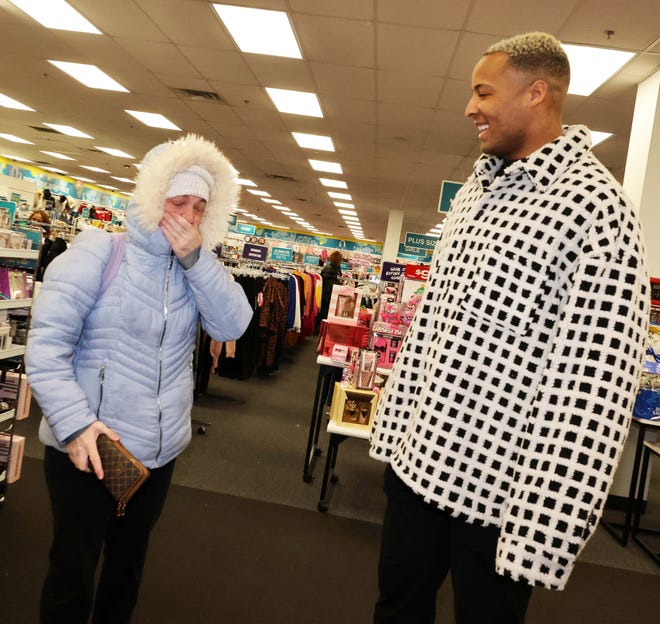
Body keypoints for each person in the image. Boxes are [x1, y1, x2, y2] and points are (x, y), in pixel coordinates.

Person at [369, 32, 649, 624]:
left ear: (537, 93)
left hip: (498, 500)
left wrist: (543, 527)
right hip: (417, 468)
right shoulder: (475, 188)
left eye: (483, 92)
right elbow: (431, 329)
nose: (471, 108)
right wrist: (394, 439)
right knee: (396, 609)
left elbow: (591, 390)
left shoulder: (596, 209)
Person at [25, 133, 253, 623]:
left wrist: (198, 260)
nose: (188, 218)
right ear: (152, 199)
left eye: (199, 207)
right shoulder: (99, 253)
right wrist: (75, 424)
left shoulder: (196, 272)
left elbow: (233, 324)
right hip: (88, 449)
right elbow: (44, 348)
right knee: (71, 576)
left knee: (125, 574)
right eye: (177, 203)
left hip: (157, 455)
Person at [318, 250, 343, 325]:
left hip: (324, 294)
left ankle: (320, 328)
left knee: (323, 313)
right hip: (329, 295)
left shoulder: (327, 268)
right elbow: (333, 283)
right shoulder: (334, 270)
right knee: (327, 314)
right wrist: (339, 283)